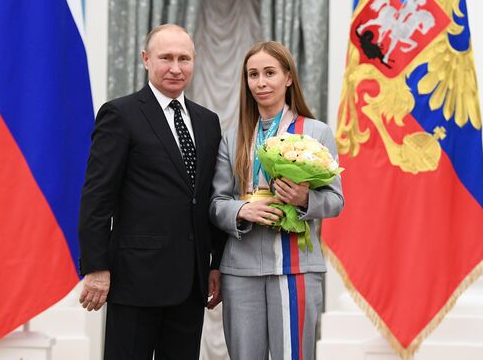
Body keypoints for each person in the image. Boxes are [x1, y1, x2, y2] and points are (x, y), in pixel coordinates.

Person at [78, 24, 224, 360]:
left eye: (184, 58)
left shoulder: (207, 122)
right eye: (166, 58)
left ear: (194, 61)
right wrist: (96, 267)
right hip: (134, 281)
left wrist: (215, 263)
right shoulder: (120, 114)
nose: (176, 67)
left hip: (191, 283)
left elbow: (206, 197)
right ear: (146, 59)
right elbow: (97, 195)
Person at [209, 41, 344, 359]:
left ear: (288, 78)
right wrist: (243, 209)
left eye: (269, 73)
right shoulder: (233, 138)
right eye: (253, 75)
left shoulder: (316, 132)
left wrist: (304, 198)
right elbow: (216, 202)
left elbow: (335, 200)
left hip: (296, 267)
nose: (260, 82)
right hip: (240, 270)